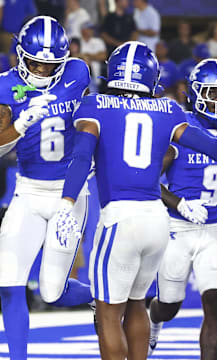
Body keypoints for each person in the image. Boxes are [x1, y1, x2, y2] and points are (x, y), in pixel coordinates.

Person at [54, 41, 217, 360]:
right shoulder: (169, 110)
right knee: (139, 305)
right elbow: (216, 148)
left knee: (108, 313)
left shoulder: (94, 105)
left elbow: (80, 157)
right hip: (160, 224)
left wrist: (66, 202)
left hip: (122, 217)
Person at [147, 57, 217, 359]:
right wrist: (179, 203)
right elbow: (147, 180)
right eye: (214, 93)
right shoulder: (179, 128)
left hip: (216, 229)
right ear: (195, 93)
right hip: (177, 228)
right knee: (169, 306)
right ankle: (153, 318)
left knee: (215, 304)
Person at [0, 16, 93, 359]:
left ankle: (100, 295)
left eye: (49, 64)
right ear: (19, 54)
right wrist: (20, 125)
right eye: (35, 62)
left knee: (53, 292)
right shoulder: (4, 86)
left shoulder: (77, 73)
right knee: (8, 282)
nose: (41, 71)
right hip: (27, 190)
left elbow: (90, 120)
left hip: (68, 193)